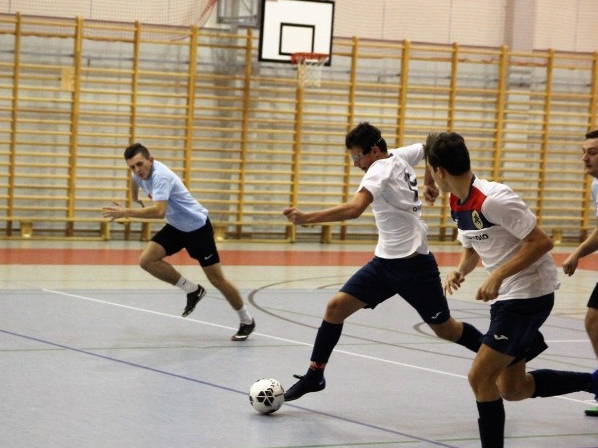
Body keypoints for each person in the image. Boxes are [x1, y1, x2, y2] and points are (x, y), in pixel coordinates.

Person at [426, 131, 598, 448]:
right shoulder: (457, 202)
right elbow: (474, 247)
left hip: (528, 294)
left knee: (480, 377)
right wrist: (462, 270)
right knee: (513, 388)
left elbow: (542, 242)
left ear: (440, 170)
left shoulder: (494, 199)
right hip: (508, 297)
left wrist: (497, 275)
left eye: (429, 171)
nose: (428, 178)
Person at [281, 122, 485, 403]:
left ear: (374, 150)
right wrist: (427, 182)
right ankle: (315, 375)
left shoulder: (378, 169)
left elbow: (354, 209)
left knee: (446, 329)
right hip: (385, 263)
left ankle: (500, 354)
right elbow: (430, 147)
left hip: (414, 267)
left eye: (357, 157)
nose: (356, 164)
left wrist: (307, 219)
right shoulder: (398, 155)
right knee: (335, 308)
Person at [102, 142, 255, 341]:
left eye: (140, 164)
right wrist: (135, 198)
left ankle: (246, 320)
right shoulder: (138, 174)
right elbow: (134, 181)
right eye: (132, 167)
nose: (137, 170)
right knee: (146, 260)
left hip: (197, 229)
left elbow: (159, 212)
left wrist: (126, 211)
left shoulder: (161, 177)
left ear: (151, 160)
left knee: (217, 280)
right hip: (176, 227)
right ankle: (192, 289)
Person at [561, 128, 598, 417]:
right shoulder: (597, 187)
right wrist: (577, 252)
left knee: (596, 320)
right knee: (595, 322)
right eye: (584, 152)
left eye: (593, 152)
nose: (585, 158)